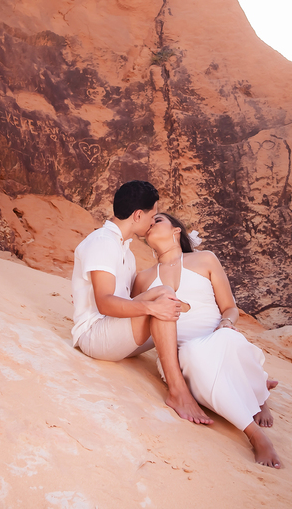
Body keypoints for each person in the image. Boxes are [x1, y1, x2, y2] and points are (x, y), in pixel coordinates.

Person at [134, 212, 282, 468]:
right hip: (179, 355)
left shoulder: (205, 259)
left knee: (228, 340)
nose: (150, 224)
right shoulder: (143, 278)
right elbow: (132, 313)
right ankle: (255, 433)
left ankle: (259, 396)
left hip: (217, 338)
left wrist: (226, 323)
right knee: (193, 354)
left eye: (158, 220)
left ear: (176, 231)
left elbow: (230, 308)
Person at [70, 181, 211, 424]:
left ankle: (221, 379)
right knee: (163, 294)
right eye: (153, 216)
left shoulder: (125, 250)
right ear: (138, 215)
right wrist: (151, 306)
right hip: (94, 335)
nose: (152, 222)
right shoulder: (103, 242)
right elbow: (104, 303)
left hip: (116, 332)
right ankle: (178, 392)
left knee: (174, 309)